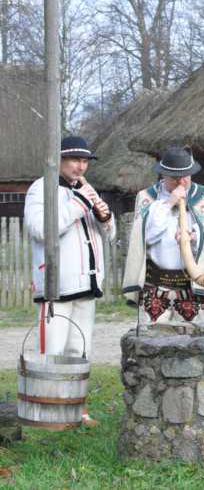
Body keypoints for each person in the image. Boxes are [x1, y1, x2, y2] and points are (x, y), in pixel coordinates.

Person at [24, 135, 116, 426]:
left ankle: (77, 409)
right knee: (52, 351)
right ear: (59, 160)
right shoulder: (42, 188)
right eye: (75, 160)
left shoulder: (85, 190)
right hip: (56, 286)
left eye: (85, 161)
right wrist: (79, 203)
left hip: (87, 285)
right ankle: (48, 412)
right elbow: (40, 229)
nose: (81, 166)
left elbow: (109, 235)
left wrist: (104, 218)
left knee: (81, 351)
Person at [123, 146, 204, 322]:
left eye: (185, 176)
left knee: (193, 337)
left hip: (191, 284)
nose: (181, 182)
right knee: (151, 336)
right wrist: (170, 202)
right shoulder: (147, 197)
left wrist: (195, 238)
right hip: (154, 283)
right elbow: (147, 237)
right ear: (163, 175)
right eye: (174, 178)